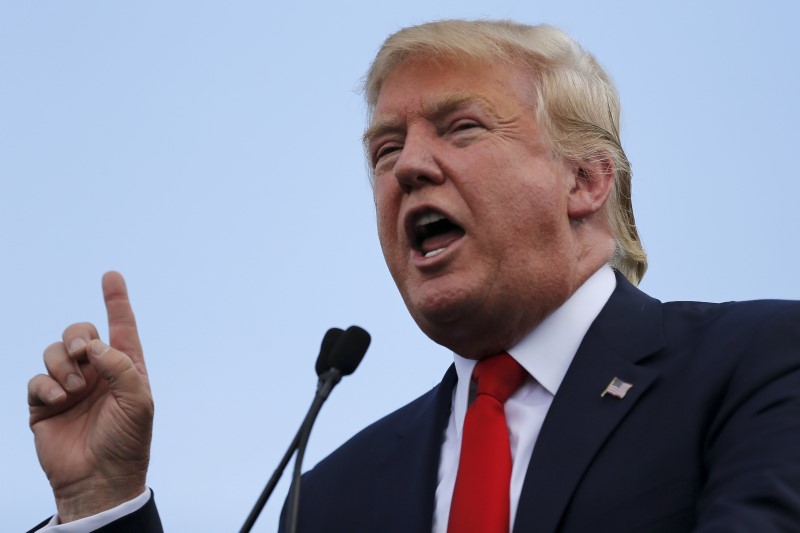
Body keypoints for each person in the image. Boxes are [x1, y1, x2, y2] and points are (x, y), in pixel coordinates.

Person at [27, 19, 800, 533]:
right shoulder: (329, 495)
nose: (410, 167)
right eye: (383, 150)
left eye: (461, 127)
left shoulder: (763, 361)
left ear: (587, 180)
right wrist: (106, 501)